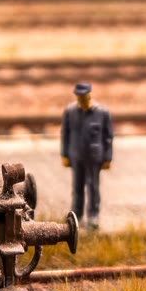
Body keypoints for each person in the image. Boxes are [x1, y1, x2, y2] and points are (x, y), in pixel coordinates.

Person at [60, 81, 113, 229]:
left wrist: (108, 157)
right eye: (79, 96)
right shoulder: (70, 112)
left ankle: (93, 215)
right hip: (76, 156)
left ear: (89, 95)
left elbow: (108, 136)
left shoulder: (102, 113)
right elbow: (65, 134)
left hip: (94, 157)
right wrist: (64, 154)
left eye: (84, 96)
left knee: (93, 187)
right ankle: (76, 214)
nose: (82, 99)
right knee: (77, 187)